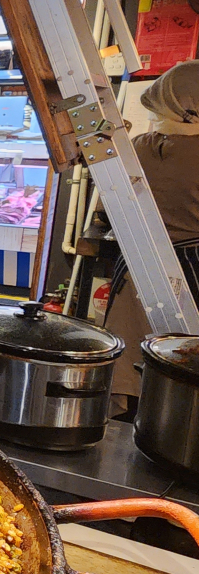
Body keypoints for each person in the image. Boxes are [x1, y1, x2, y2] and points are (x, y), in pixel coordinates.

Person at [104, 60, 199, 404]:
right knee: (180, 388)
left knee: (131, 374)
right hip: (192, 278)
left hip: (136, 273)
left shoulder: (137, 146)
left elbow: (105, 212)